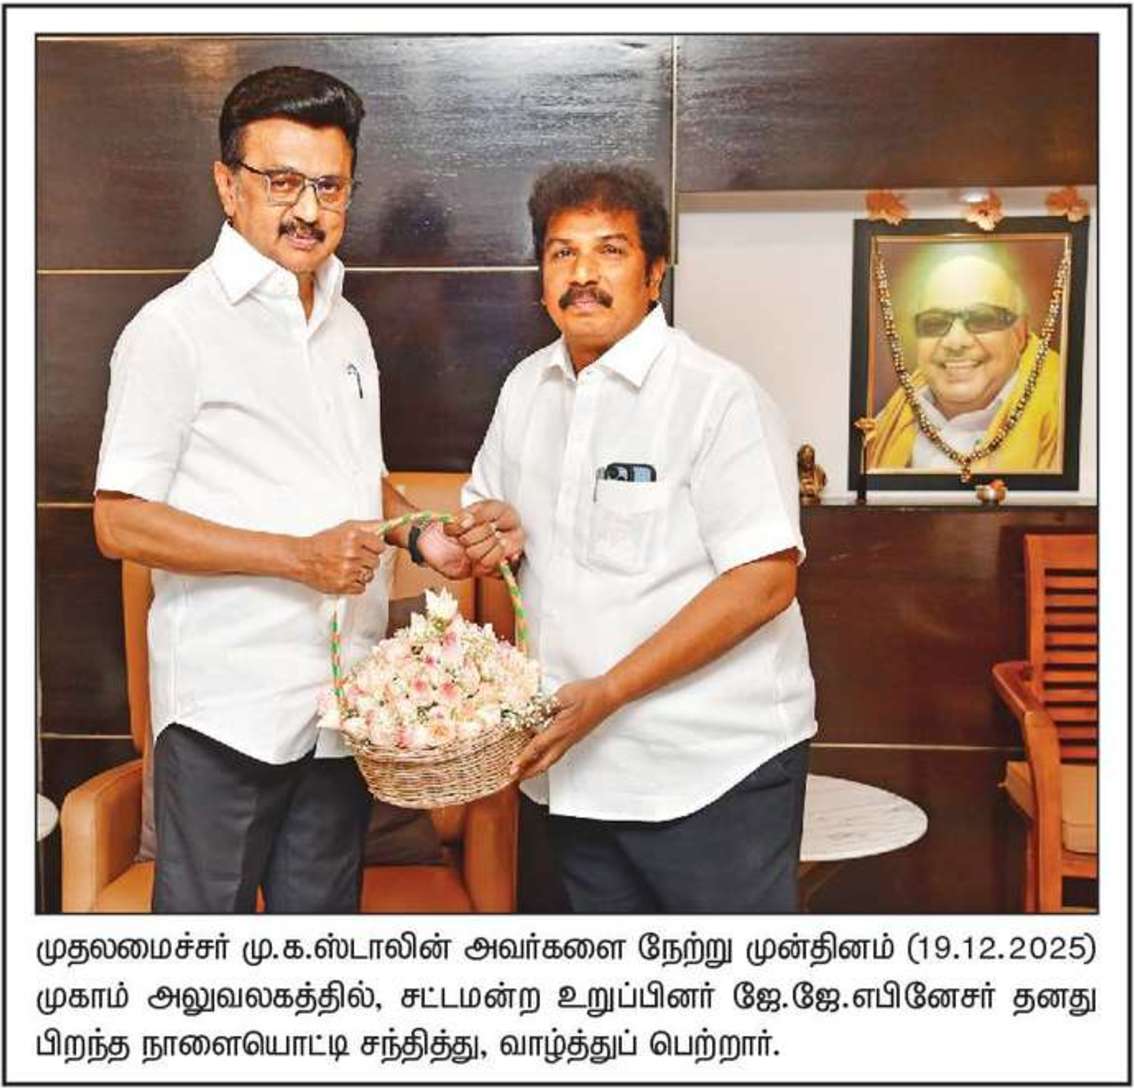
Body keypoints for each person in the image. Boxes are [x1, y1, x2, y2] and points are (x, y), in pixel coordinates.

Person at [92, 66, 469, 913]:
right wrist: (296, 558)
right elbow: (119, 523)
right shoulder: (172, 330)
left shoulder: (347, 322)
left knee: (317, 956)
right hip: (226, 714)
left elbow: (355, 480)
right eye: (282, 182)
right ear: (228, 187)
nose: (308, 209)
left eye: (329, 187)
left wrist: (419, 535)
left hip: (341, 709)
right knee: (203, 969)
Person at [451, 164, 816, 913]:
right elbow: (486, 521)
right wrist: (495, 533)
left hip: (711, 768)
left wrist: (610, 692)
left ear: (655, 275)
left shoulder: (717, 397)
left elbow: (765, 581)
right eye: (562, 253)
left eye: (610, 251)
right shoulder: (526, 388)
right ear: (541, 279)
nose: (583, 274)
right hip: (573, 768)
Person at [867, 253, 1063, 471]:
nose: (955, 342)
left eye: (982, 319)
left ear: (1019, 334)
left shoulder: (1067, 415)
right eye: (935, 322)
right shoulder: (889, 420)